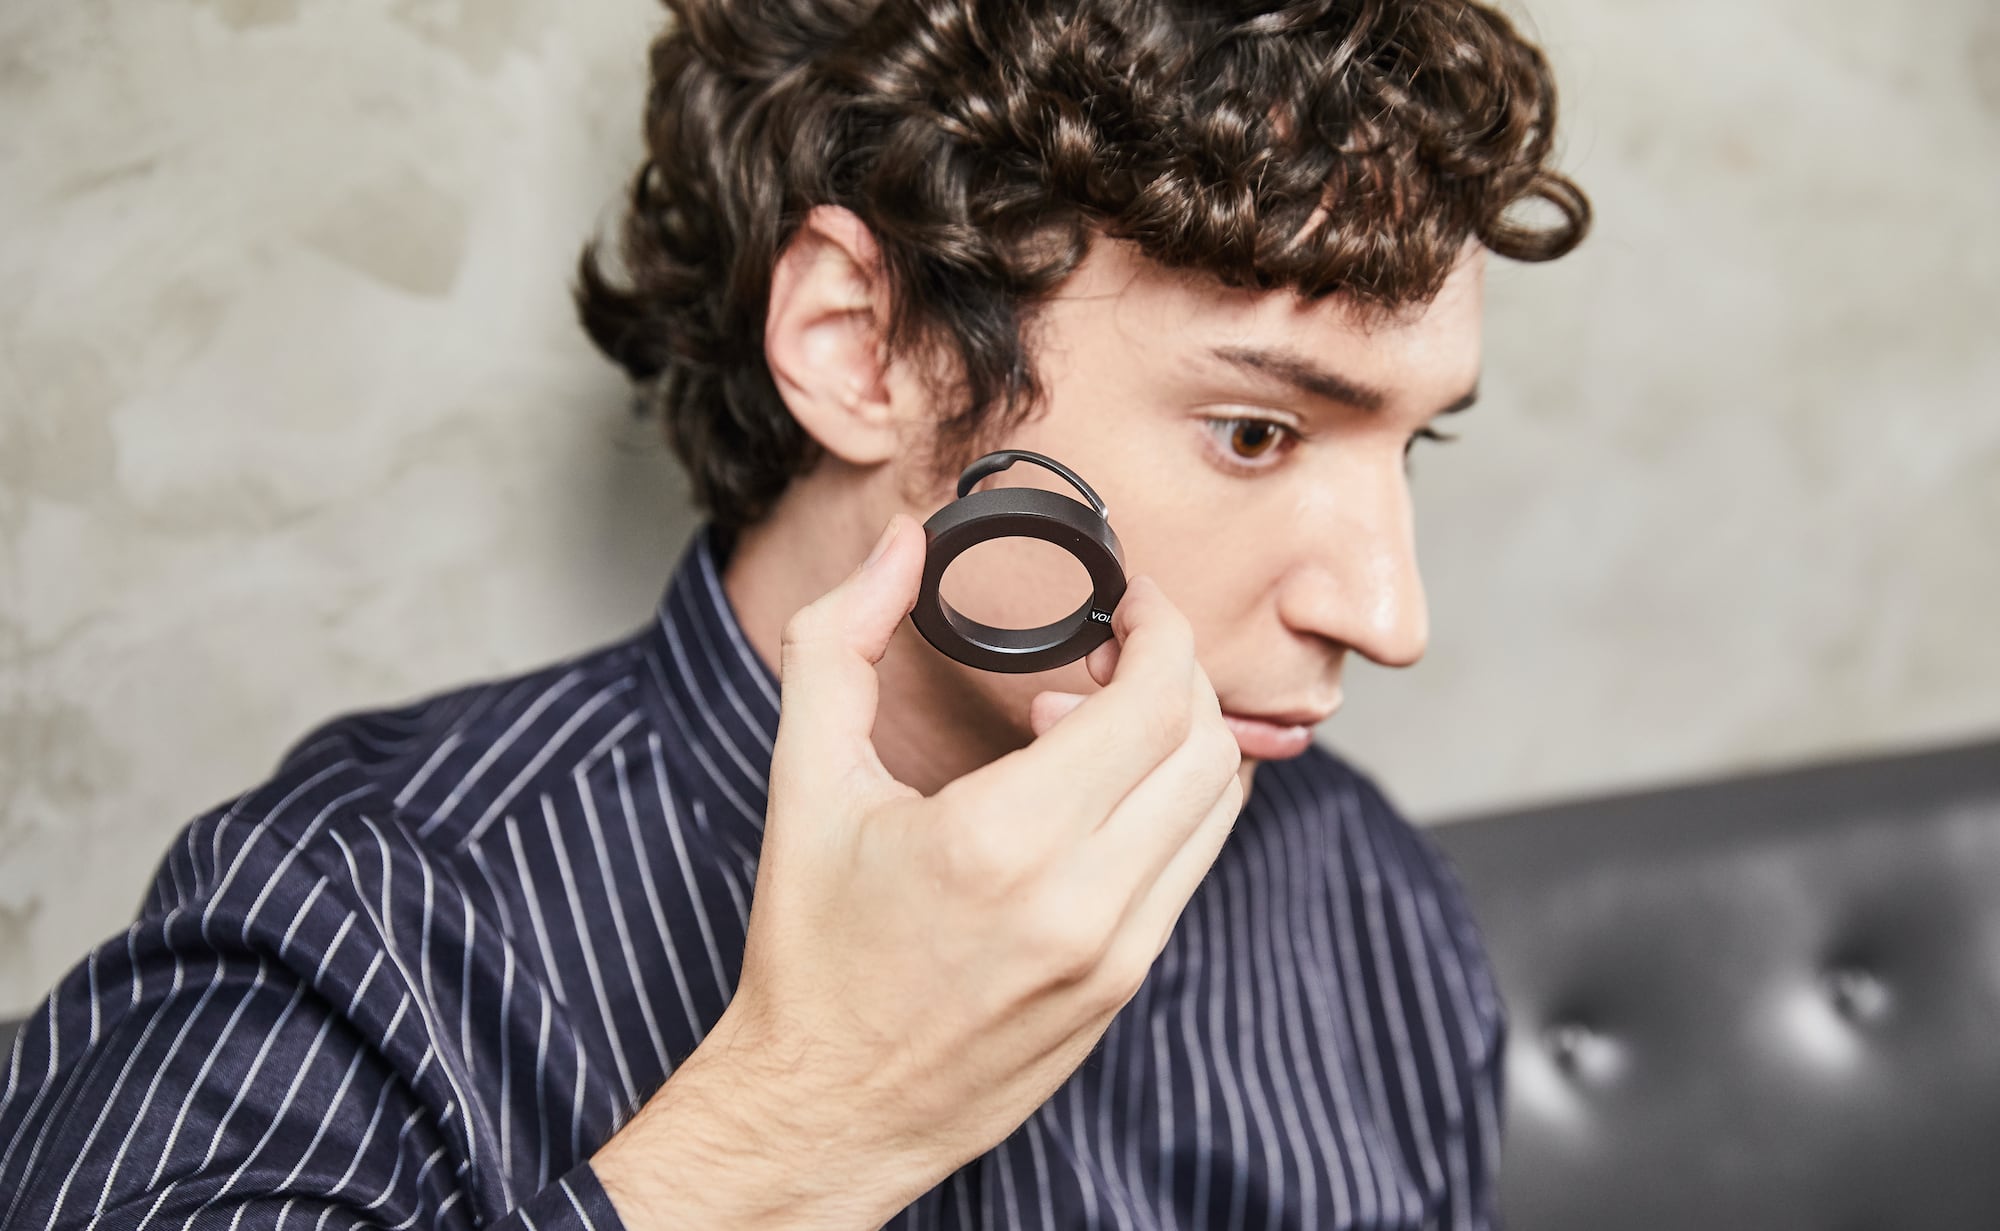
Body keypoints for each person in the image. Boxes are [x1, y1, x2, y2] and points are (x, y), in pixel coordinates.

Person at [0, 0, 1591, 1227]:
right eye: (1256, 431)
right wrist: (812, 1121)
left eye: (1413, 443)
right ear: (860, 346)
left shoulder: (1354, 889)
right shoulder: (354, 941)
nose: (1389, 614)